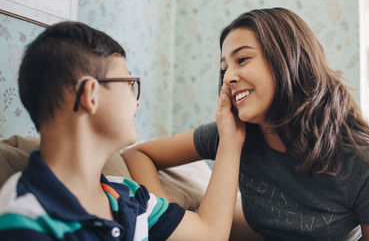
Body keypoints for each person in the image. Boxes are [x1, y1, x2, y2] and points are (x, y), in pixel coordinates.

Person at [122, 8, 369, 240]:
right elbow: (138, 153)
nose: (228, 77)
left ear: (289, 60)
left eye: (242, 59)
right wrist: (169, 219)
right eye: (224, 68)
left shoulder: (365, 163)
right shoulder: (229, 134)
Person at [0, 21, 245, 240]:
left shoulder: (128, 195)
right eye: (129, 84)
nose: (137, 101)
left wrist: (230, 140)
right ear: (90, 95)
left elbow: (210, 233)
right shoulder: (24, 217)